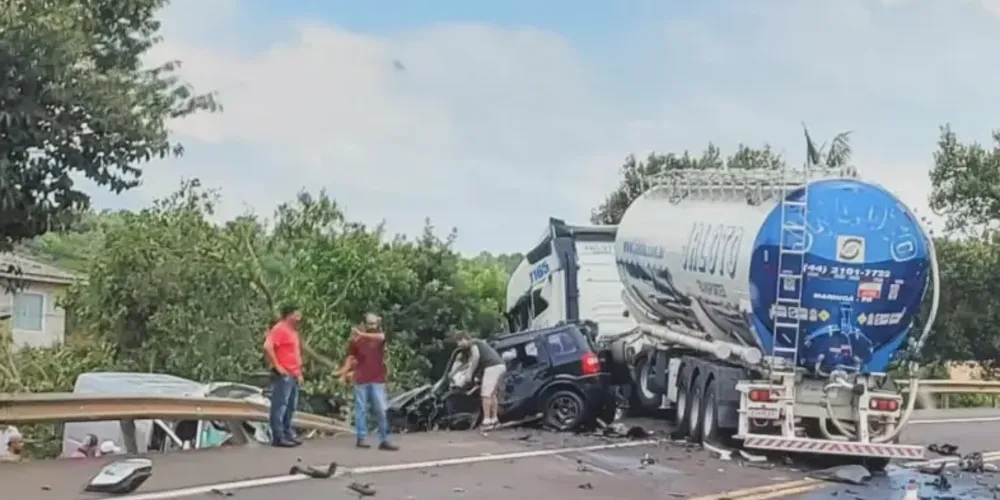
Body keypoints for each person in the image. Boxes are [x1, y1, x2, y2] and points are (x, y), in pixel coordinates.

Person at [347, 313, 398, 451]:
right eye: (369, 324)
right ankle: (361, 438)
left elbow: (382, 337)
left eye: (374, 324)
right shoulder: (356, 341)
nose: (372, 326)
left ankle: (384, 439)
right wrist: (345, 371)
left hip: (377, 379)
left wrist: (361, 334)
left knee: (381, 409)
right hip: (361, 379)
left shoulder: (379, 337)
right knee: (361, 409)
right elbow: (351, 356)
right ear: (364, 324)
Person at [263, 303, 304, 447]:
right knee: (280, 405)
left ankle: (287, 432)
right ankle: (278, 436)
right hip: (284, 374)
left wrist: (299, 373)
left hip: (293, 374)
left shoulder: (293, 331)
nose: (299, 317)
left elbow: (294, 354)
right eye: (297, 314)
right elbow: (268, 347)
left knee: (291, 406)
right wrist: (277, 366)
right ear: (289, 314)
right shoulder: (280, 329)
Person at [455, 331, 506, 430]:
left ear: (464, 338)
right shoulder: (480, 344)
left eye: (459, 341)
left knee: (485, 394)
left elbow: (476, 357)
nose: (459, 345)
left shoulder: (473, 343)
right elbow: (475, 362)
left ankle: (486, 421)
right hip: (499, 366)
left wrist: (469, 374)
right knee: (492, 394)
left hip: (492, 367)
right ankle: (494, 419)